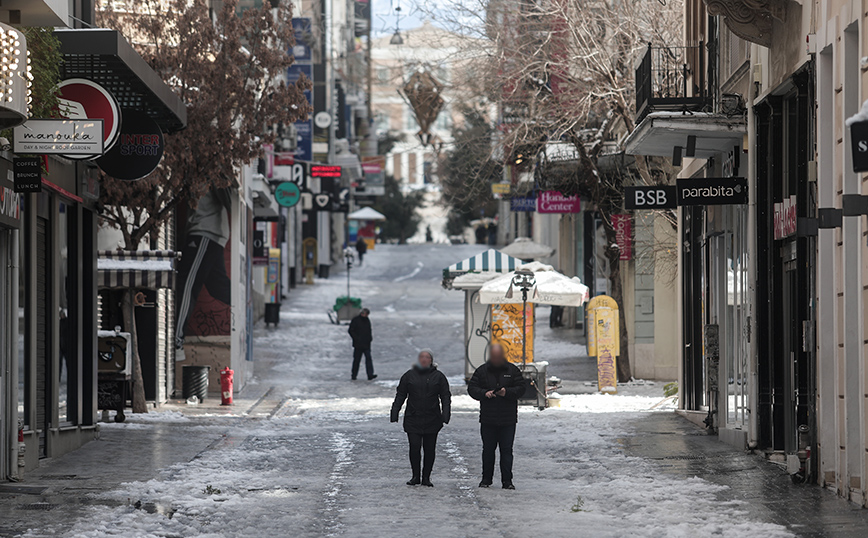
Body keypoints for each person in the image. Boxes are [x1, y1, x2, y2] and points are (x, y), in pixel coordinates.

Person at [175, 188, 232, 355]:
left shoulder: (210, 166)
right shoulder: (205, 167)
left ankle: (176, 341)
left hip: (204, 233)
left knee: (186, 285)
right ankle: (246, 314)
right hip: (210, 234)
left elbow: (230, 201)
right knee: (218, 287)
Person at [467, 344, 527, 490]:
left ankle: (507, 481)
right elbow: (472, 388)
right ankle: (486, 479)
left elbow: (521, 389)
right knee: (488, 450)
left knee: (506, 451)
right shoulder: (482, 371)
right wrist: (484, 393)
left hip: (508, 420)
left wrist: (506, 392)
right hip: (488, 419)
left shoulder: (512, 370)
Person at [391, 349, 451, 487]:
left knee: (430, 449)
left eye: (427, 357)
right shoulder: (409, 376)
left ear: (431, 360)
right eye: (421, 357)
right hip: (413, 417)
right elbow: (401, 394)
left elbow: (445, 396)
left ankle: (426, 477)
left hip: (432, 418)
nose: (424, 359)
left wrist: (445, 414)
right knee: (415, 447)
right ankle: (415, 476)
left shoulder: (438, 376)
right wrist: (395, 411)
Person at [348, 308, 377, 380]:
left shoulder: (367, 320)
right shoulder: (356, 320)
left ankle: (370, 374)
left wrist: (370, 339)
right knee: (357, 360)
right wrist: (356, 339)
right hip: (358, 345)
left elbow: (368, 330)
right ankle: (354, 375)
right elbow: (351, 330)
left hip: (366, 344)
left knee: (368, 359)